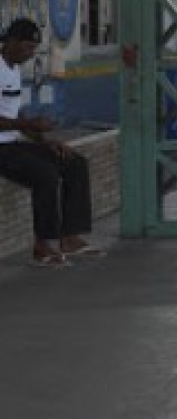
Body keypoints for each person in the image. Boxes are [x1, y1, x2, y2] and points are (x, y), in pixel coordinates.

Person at [0, 18, 102, 267]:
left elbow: (14, 116)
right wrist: (28, 126)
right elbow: (17, 122)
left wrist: (46, 141)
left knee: (73, 162)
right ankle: (42, 245)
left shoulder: (13, 69)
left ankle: (69, 237)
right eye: (26, 48)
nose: (30, 54)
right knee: (45, 175)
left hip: (12, 143)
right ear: (11, 42)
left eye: (33, 49)